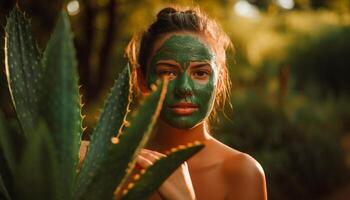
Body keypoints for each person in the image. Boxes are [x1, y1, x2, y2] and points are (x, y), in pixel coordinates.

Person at [124, 6, 268, 200]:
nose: (184, 88)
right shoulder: (116, 168)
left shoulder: (242, 173)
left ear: (219, 82)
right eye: (168, 72)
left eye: (200, 73)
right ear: (141, 80)